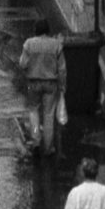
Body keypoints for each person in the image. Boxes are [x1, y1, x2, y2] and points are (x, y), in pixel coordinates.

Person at [18, 17, 67, 156]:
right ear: (48, 30)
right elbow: (62, 69)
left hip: (33, 83)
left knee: (33, 110)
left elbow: (22, 64)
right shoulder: (56, 45)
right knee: (48, 114)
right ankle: (49, 148)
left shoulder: (29, 44)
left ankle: (36, 140)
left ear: (36, 30)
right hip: (51, 83)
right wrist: (62, 86)